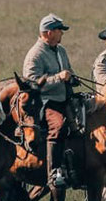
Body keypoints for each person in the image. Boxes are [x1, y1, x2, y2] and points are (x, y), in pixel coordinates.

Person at [23, 13, 76, 188]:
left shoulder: (61, 50)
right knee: (58, 126)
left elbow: (68, 70)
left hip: (65, 98)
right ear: (47, 33)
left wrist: (72, 78)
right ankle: (54, 171)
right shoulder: (35, 55)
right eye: (59, 30)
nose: (62, 33)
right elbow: (31, 84)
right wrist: (59, 78)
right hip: (46, 102)